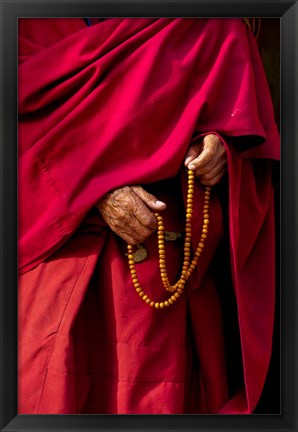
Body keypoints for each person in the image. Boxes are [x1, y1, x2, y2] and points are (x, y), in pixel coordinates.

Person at [18, 17, 280, 414]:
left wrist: (221, 148)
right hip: (63, 264)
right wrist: (92, 185)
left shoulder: (212, 22)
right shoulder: (28, 22)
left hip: (171, 278)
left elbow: (245, 126)